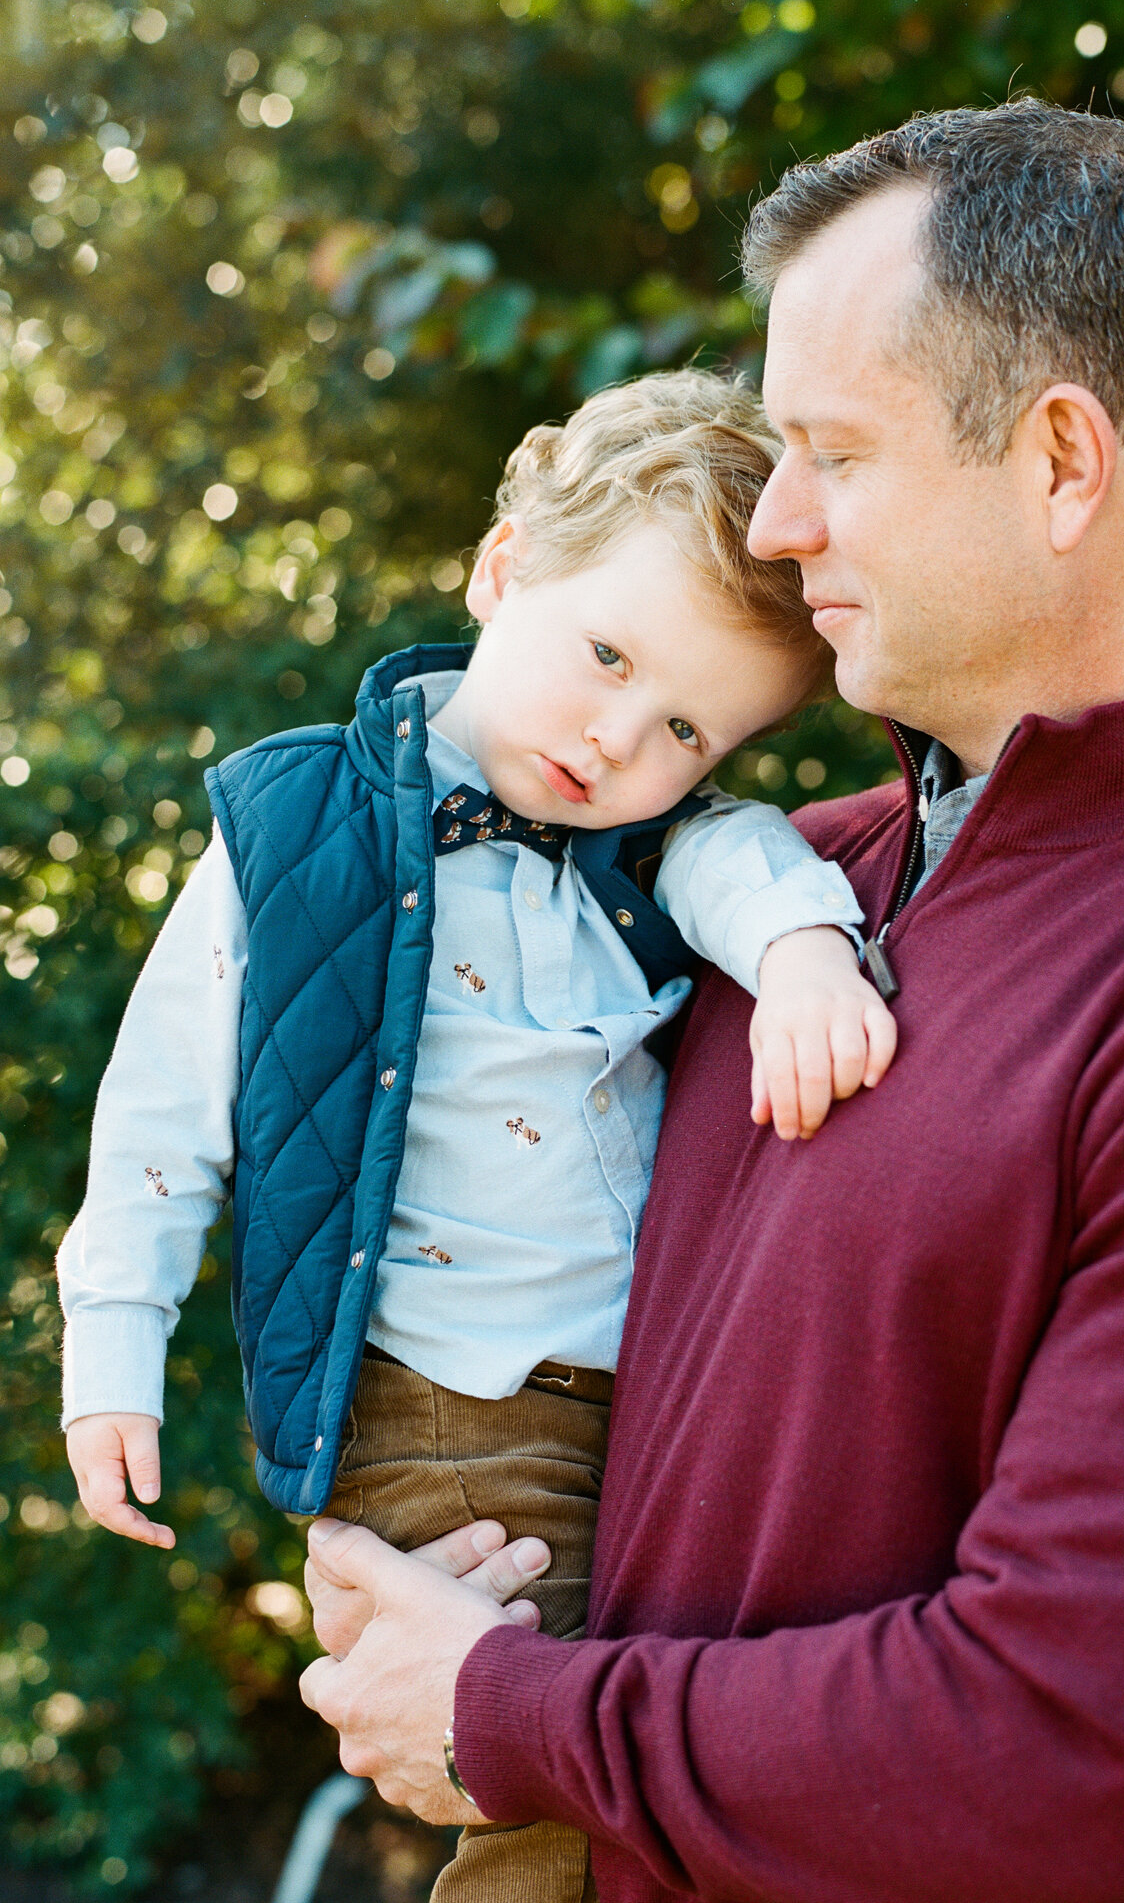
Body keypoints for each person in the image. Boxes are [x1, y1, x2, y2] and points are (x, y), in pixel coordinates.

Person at [301, 101, 1124, 1902]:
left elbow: (1047, 1755)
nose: (773, 527)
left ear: (1062, 462)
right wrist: (432, 1534)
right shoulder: (773, 884)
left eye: (830, 451)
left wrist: (517, 1715)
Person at [57, 370, 899, 1903]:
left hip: (642, 1402)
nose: (619, 736)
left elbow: (740, 860)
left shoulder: (650, 848)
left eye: (685, 727)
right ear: (504, 568)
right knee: (539, 1783)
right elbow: (162, 1110)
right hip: (448, 1401)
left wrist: (801, 956)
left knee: (641, 1749)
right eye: (604, 655)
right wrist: (113, 1341)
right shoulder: (296, 831)